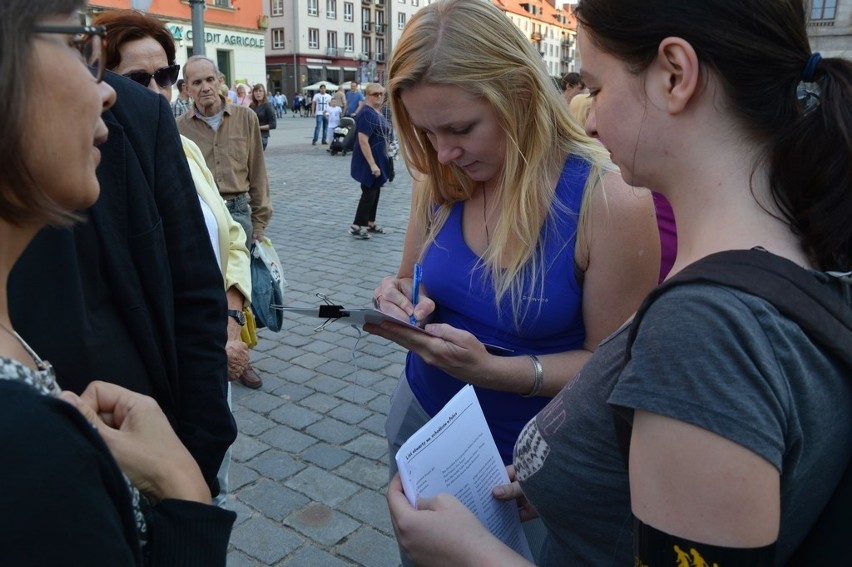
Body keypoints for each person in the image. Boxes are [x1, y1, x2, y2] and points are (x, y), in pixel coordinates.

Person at [385, 0, 852, 564]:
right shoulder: (794, 257)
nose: (590, 118)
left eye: (596, 86)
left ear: (676, 75)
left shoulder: (703, 330)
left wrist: (475, 555)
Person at [368, 0, 660, 560]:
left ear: (520, 95)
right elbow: (411, 279)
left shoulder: (609, 199)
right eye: (427, 132)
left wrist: (499, 373)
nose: (443, 152)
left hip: (529, 459)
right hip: (424, 417)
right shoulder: (441, 173)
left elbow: (613, 365)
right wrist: (399, 296)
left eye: (460, 128)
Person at [0, 1, 235, 562]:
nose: (103, 88)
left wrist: (189, 457)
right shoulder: (30, 447)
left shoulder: (139, 123)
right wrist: (186, 496)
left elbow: (195, 295)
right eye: (77, 42)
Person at [92, 9, 255, 508]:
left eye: (165, 76)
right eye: (139, 79)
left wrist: (230, 315)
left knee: (214, 477)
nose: (157, 90)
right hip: (162, 376)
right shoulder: (98, 161)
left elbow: (229, 237)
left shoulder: (181, 147)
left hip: (210, 345)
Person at [178, 55, 272, 390]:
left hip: (238, 211)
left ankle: (244, 356)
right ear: (186, 89)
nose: (204, 88)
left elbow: (258, 171)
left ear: (220, 81)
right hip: (201, 215)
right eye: (196, 83)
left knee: (239, 290)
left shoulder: (246, 117)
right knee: (205, 287)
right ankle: (213, 352)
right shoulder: (179, 128)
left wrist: (260, 223)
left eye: (209, 80)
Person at [347, 83, 396, 239]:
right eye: (376, 94)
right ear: (367, 95)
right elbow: (363, 140)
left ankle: (370, 222)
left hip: (379, 159)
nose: (380, 97)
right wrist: (372, 164)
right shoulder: (367, 113)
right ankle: (356, 226)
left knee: (375, 190)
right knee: (369, 192)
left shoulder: (377, 112)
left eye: (382, 94)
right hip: (368, 161)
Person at [249, 83, 277, 151]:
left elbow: (273, 125)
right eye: (256, 91)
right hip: (251, 135)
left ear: (264, 93)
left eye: (260, 91)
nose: (258, 93)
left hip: (262, 137)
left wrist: (258, 127)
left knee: (257, 159)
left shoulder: (268, 105)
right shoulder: (252, 105)